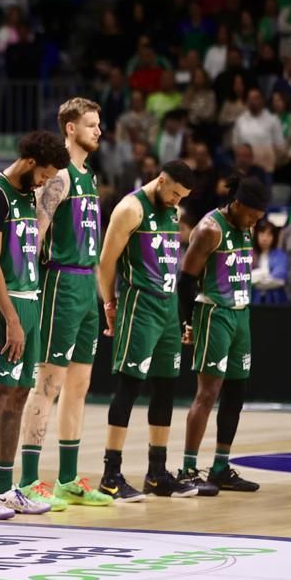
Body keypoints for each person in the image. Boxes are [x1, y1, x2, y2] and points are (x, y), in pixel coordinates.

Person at [0, 131, 70, 520]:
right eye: (44, 174)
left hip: (29, 300)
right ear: (28, 161)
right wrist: (8, 318)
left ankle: (6, 488)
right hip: (7, 309)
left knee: (21, 393)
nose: (45, 182)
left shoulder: (26, 195)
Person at [21, 98, 113, 508]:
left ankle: (67, 479)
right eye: (91, 125)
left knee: (80, 385)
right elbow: (35, 236)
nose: (99, 131)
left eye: (99, 124)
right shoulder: (58, 179)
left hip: (86, 286)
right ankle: (26, 480)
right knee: (48, 383)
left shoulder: (90, 177)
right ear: (71, 129)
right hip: (60, 283)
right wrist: (28, 288)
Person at [96, 159, 198, 501]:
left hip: (168, 306)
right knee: (129, 385)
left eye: (182, 197)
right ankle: (111, 474)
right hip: (139, 304)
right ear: (161, 179)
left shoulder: (172, 212)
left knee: (166, 387)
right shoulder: (129, 208)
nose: (176, 201)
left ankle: (157, 473)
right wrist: (109, 304)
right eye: (174, 193)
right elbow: (106, 262)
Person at [179, 176, 270, 496]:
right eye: (253, 215)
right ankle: (188, 468)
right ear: (239, 204)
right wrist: (186, 323)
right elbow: (186, 280)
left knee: (236, 393)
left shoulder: (248, 224)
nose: (256, 222)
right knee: (208, 393)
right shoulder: (209, 230)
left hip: (241, 314)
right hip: (214, 312)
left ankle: (220, 467)